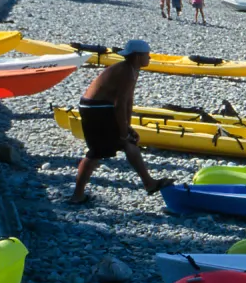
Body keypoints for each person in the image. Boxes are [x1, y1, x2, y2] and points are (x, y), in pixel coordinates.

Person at [69, 40, 174, 203]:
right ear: (138, 56)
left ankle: (149, 183)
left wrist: (127, 127)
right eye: (147, 55)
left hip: (102, 107)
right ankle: (77, 195)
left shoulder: (133, 70)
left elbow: (128, 102)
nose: (149, 58)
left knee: (128, 143)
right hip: (95, 109)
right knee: (96, 152)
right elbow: (119, 104)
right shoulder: (125, 71)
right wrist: (123, 132)